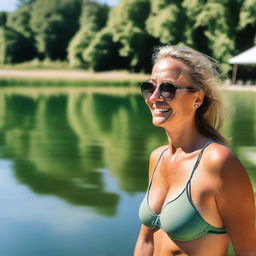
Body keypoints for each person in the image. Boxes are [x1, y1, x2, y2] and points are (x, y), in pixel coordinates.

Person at [134, 44, 256, 256]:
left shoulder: (219, 162)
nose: (154, 97)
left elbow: (248, 251)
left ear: (197, 98)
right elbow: (146, 240)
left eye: (167, 88)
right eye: (149, 87)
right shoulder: (158, 157)